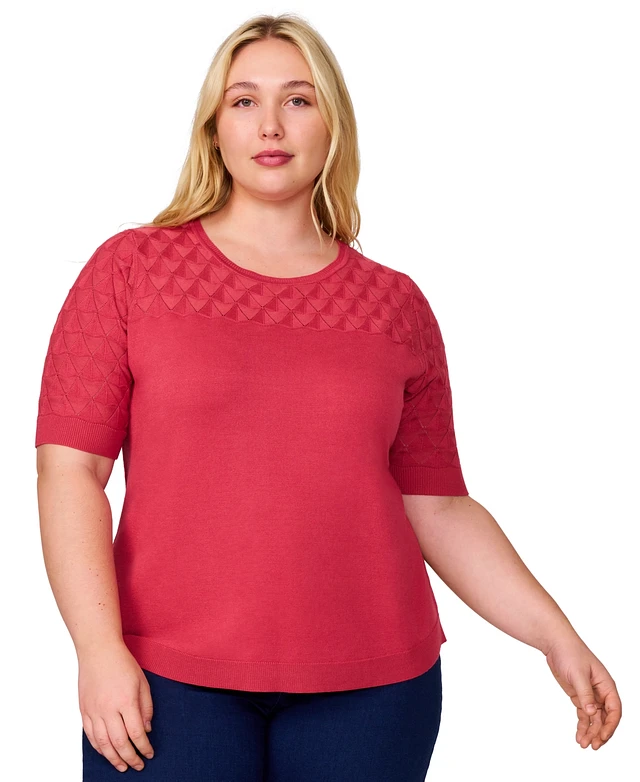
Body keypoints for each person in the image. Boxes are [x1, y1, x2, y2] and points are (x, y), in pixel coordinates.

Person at [34, 12, 622, 781]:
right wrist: (96, 649)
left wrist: (555, 636)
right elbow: (70, 471)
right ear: (214, 128)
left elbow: (438, 506)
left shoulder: (395, 305)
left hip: (373, 692)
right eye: (244, 101)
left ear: (332, 123)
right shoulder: (130, 270)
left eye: (298, 99)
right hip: (162, 676)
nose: (270, 125)